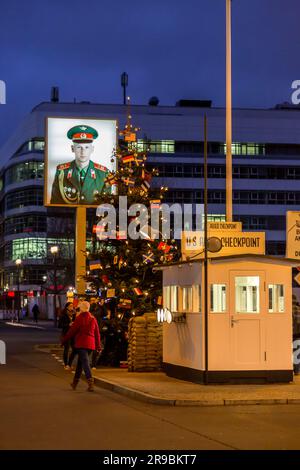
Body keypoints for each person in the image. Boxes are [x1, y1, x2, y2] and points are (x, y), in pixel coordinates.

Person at [50, 125, 110, 205]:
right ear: (72, 148)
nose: (83, 152)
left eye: (86, 147)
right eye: (79, 147)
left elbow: (107, 205)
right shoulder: (62, 171)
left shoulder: (102, 173)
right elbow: (55, 203)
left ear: (92, 149)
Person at [62, 301, 101, 392]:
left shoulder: (79, 318)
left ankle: (90, 382)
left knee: (85, 362)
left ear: (82, 308)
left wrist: (64, 340)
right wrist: (98, 346)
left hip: (81, 344)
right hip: (90, 345)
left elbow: (72, 331)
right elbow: (97, 334)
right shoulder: (93, 318)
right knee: (80, 363)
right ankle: (74, 383)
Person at [58, 302, 75, 369]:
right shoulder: (63, 315)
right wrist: (68, 325)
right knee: (67, 349)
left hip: (73, 334)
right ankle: (66, 364)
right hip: (66, 333)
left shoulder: (74, 314)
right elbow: (59, 325)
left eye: (72, 306)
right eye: (70, 306)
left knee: (74, 349)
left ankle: (70, 363)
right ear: (67, 307)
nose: (72, 307)